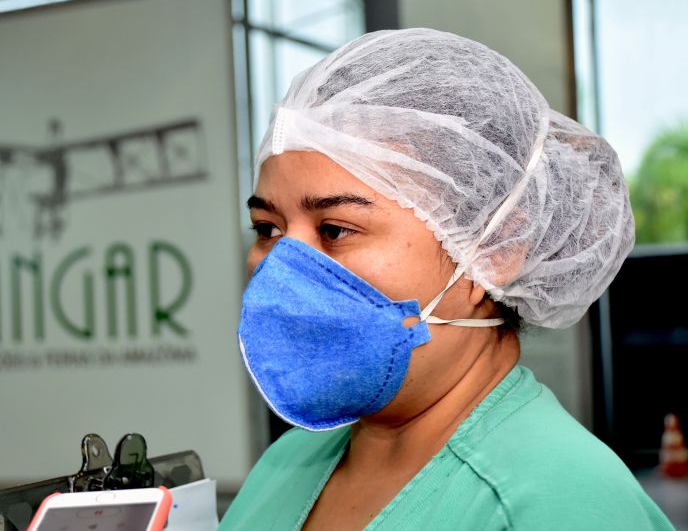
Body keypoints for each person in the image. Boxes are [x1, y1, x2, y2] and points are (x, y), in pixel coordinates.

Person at [220, 28, 674, 530]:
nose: (282, 264)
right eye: (267, 229)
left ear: (492, 249)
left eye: (336, 230)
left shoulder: (557, 504)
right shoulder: (291, 461)